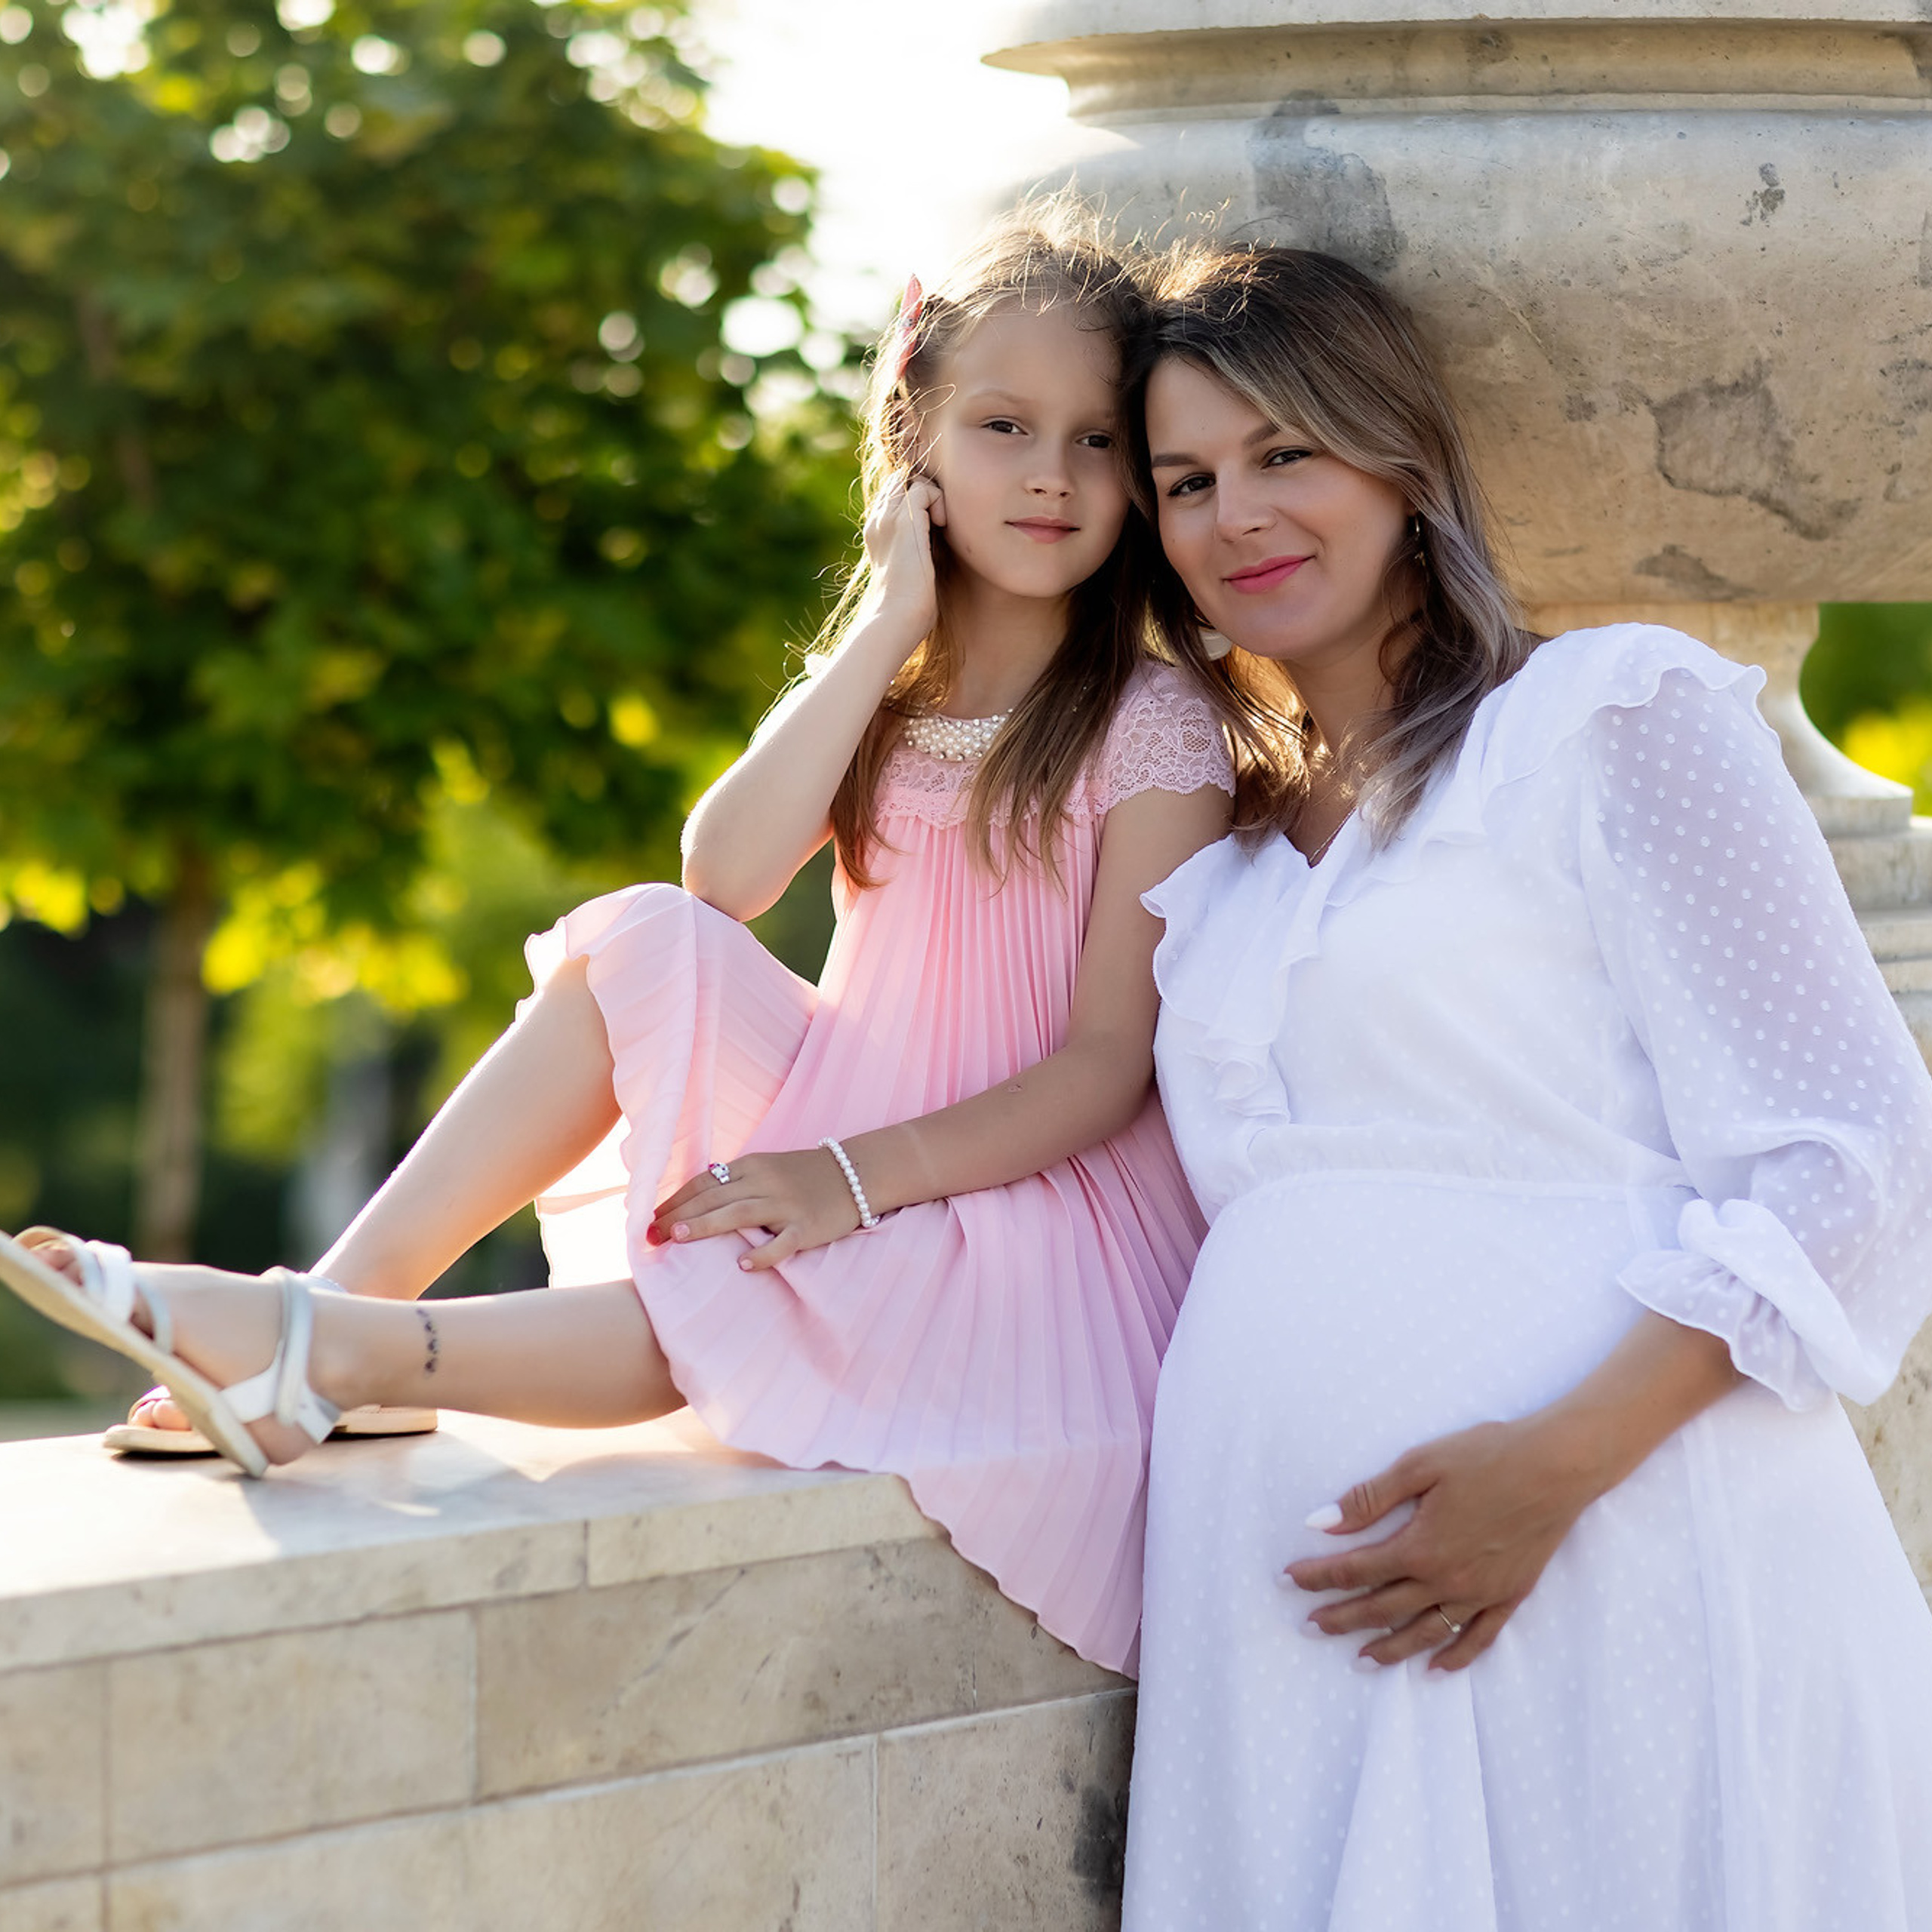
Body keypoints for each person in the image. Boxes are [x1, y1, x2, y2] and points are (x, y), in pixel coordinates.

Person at [0, 214, 1235, 1676]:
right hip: (856, 1101)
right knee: (648, 935)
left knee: (769, 1273)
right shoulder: (885, 693)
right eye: (1002, 425)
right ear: (914, 442)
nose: (1049, 473)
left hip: (1018, 1187)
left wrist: (848, 1179)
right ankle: (340, 1305)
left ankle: (319, 1344)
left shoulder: (1154, 723)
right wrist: (886, 610)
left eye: (1096, 440)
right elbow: (720, 871)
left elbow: (1104, 1066)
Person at [1121, 244, 1932, 1926]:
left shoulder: (1599, 716)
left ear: (1402, 464)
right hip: (1295, 1646)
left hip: (1621, 1553)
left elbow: (1849, 1155)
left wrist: (1546, 1469)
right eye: (1184, 477)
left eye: (1288, 453)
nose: (1233, 513)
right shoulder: (1224, 865)